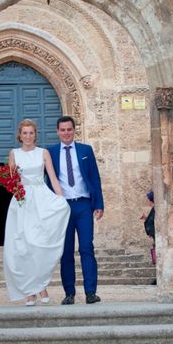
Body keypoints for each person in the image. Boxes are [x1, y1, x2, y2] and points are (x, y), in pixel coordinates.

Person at [3, 119, 70, 306]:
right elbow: (13, 180)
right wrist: (16, 194)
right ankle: (30, 292)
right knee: (24, 246)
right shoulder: (14, 154)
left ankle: (41, 285)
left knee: (40, 244)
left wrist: (61, 199)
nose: (28, 136)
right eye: (25, 133)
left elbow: (54, 179)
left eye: (31, 133)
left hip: (42, 198)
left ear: (35, 134)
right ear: (20, 135)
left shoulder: (44, 153)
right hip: (22, 200)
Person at [47, 116, 104, 305]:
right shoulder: (51, 152)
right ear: (57, 131)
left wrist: (99, 204)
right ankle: (69, 293)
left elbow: (95, 178)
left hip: (84, 205)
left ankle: (90, 292)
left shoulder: (85, 150)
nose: (66, 133)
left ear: (74, 130)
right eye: (62, 130)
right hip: (63, 207)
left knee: (87, 247)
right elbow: (44, 180)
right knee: (66, 251)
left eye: (69, 129)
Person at [141, 191, 156, 267]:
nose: (148, 202)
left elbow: (153, 222)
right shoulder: (154, 209)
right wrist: (146, 218)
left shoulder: (155, 209)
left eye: (149, 200)